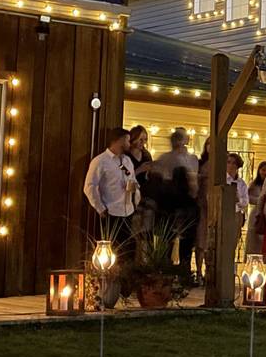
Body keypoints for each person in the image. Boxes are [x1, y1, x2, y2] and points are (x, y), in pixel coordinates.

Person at [83, 127, 141, 306]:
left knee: (129, 251)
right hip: (110, 212)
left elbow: (134, 181)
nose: (129, 143)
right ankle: (106, 291)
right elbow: (90, 186)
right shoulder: (101, 161)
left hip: (127, 211)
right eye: (127, 140)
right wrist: (100, 207)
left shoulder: (127, 161)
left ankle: (125, 289)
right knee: (111, 253)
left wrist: (135, 194)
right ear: (117, 140)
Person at [152, 128, 199, 276]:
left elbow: (193, 181)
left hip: (186, 203)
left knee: (186, 240)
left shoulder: (191, 159)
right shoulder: (166, 158)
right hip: (169, 203)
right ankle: (165, 271)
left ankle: (183, 271)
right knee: (167, 238)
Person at [193, 138, 211, 286]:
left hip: (215, 207)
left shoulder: (222, 164)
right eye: (209, 144)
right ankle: (198, 272)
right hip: (201, 205)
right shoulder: (200, 163)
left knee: (211, 242)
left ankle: (210, 273)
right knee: (200, 241)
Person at [245, 161, 266, 255]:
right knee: (254, 241)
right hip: (256, 215)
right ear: (259, 171)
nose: (265, 172)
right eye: (263, 170)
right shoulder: (254, 185)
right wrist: (260, 200)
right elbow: (248, 198)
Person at [227, 153, 249, 245]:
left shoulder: (241, 183)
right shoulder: (223, 180)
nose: (231, 165)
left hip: (236, 214)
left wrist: (238, 199)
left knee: (233, 242)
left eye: (234, 163)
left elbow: (245, 201)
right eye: (229, 162)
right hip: (224, 213)